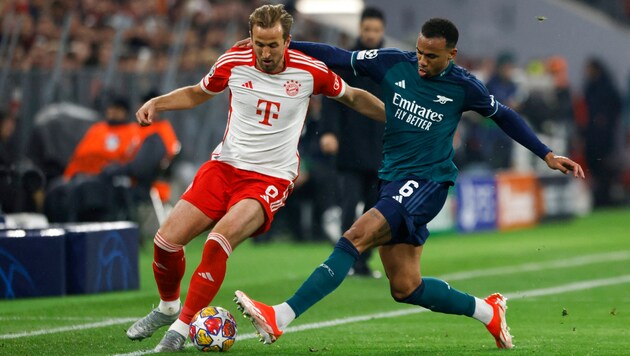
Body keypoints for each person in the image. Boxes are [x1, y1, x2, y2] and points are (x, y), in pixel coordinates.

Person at [234, 18, 585, 350]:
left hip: (428, 182)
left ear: (452, 55)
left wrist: (546, 154)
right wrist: (288, 48)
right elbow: (338, 57)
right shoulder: (392, 63)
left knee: (354, 237)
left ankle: (280, 315)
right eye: (419, 52)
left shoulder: (463, 86)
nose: (422, 61)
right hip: (393, 181)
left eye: (431, 56)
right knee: (405, 287)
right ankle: (488, 311)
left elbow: (505, 115)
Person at [125, 4, 385, 352]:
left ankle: (182, 327)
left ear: (287, 41)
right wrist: (159, 103)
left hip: (269, 178)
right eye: (259, 44)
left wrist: (395, 117)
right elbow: (198, 92)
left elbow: (353, 96)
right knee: (165, 242)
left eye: (273, 45)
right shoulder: (234, 60)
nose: (265, 53)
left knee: (218, 240)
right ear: (251, 38)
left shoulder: (310, 71)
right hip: (224, 167)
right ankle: (168, 306)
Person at [319, 6, 386, 278]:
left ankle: (362, 261)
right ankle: (345, 261)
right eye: (367, 29)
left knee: (375, 209)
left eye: (375, 30)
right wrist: (329, 132)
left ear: (382, 32)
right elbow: (331, 101)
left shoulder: (391, 64)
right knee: (350, 205)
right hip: (350, 147)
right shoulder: (348, 62)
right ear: (360, 29)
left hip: (381, 149)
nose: (370, 35)